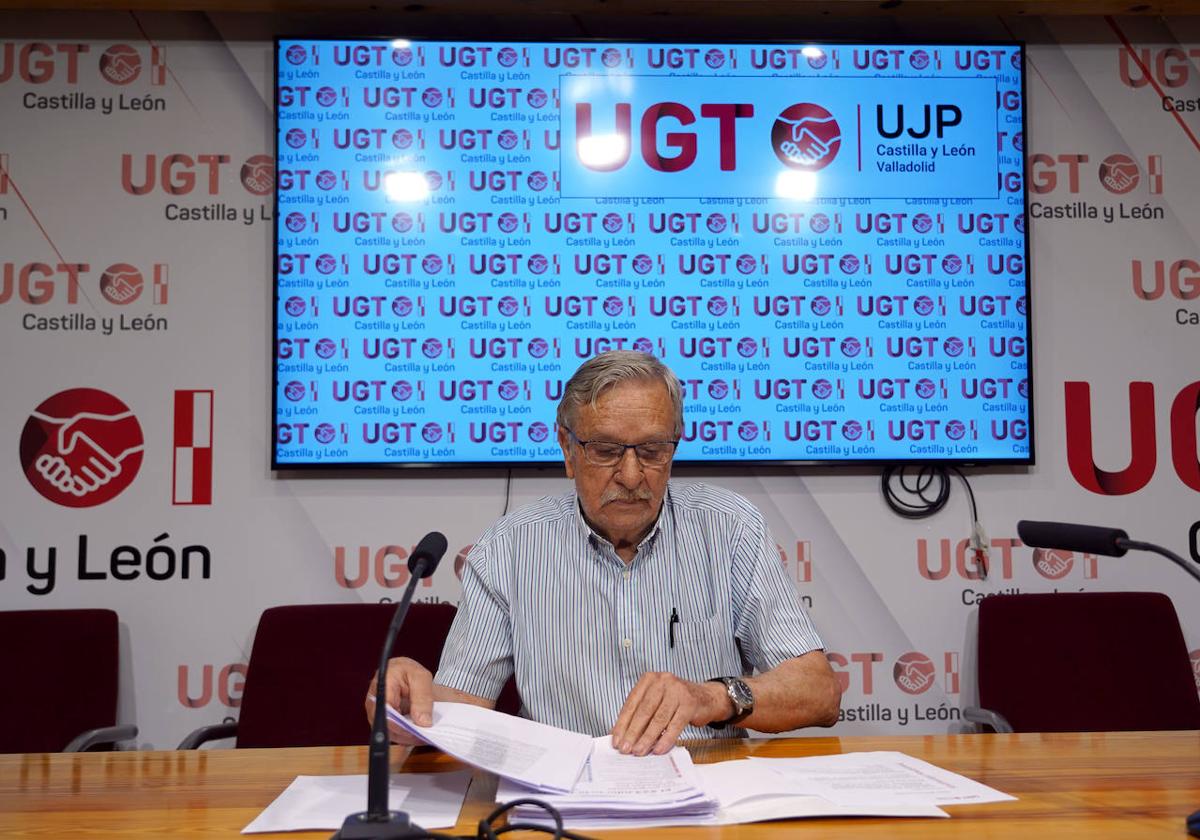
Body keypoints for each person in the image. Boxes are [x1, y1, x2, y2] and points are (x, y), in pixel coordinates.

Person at [369, 350, 840, 756]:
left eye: (653, 450)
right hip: (559, 799)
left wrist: (712, 698)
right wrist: (411, 702)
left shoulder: (730, 528)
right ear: (567, 449)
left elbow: (819, 691)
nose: (633, 476)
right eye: (606, 450)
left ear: (674, 448)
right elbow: (460, 710)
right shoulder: (507, 550)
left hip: (706, 793)